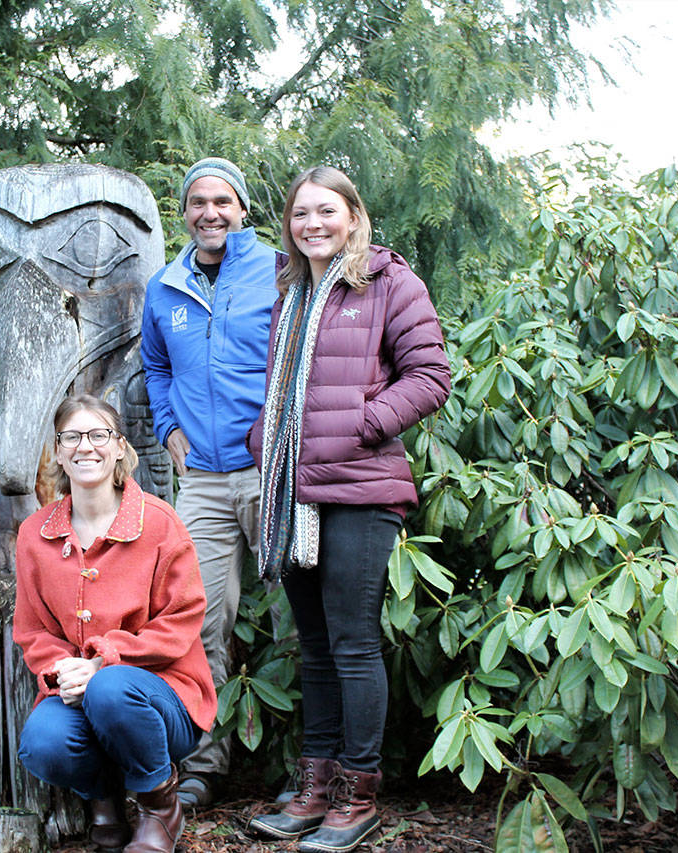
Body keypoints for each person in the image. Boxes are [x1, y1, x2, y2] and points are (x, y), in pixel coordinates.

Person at [245, 167, 451, 853]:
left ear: (353, 215)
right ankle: (315, 782)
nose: (312, 224)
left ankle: (357, 793)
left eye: (326, 211)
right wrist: (266, 439)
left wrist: (362, 423)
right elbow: (279, 387)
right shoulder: (291, 289)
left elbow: (430, 375)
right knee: (315, 647)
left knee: (352, 639)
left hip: (362, 487)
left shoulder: (391, 282)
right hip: (295, 490)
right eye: (301, 214)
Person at [14, 395, 217, 853]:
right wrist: (61, 671)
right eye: (72, 437)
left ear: (120, 446)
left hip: (163, 698)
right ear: (59, 451)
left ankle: (159, 804)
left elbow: (183, 619)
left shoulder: (159, 523)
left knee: (111, 689)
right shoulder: (35, 533)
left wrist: (105, 660)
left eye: (99, 435)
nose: (86, 447)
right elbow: (32, 630)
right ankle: (103, 800)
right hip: (80, 692)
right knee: (42, 742)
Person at [139, 157, 279, 808]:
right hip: (201, 480)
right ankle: (202, 763)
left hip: (270, 470)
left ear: (243, 209)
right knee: (197, 622)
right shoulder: (165, 287)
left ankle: (304, 765)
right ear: (185, 211)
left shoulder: (276, 273)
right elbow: (156, 364)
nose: (210, 212)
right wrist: (168, 428)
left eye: (223, 200)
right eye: (197, 202)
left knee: (295, 616)